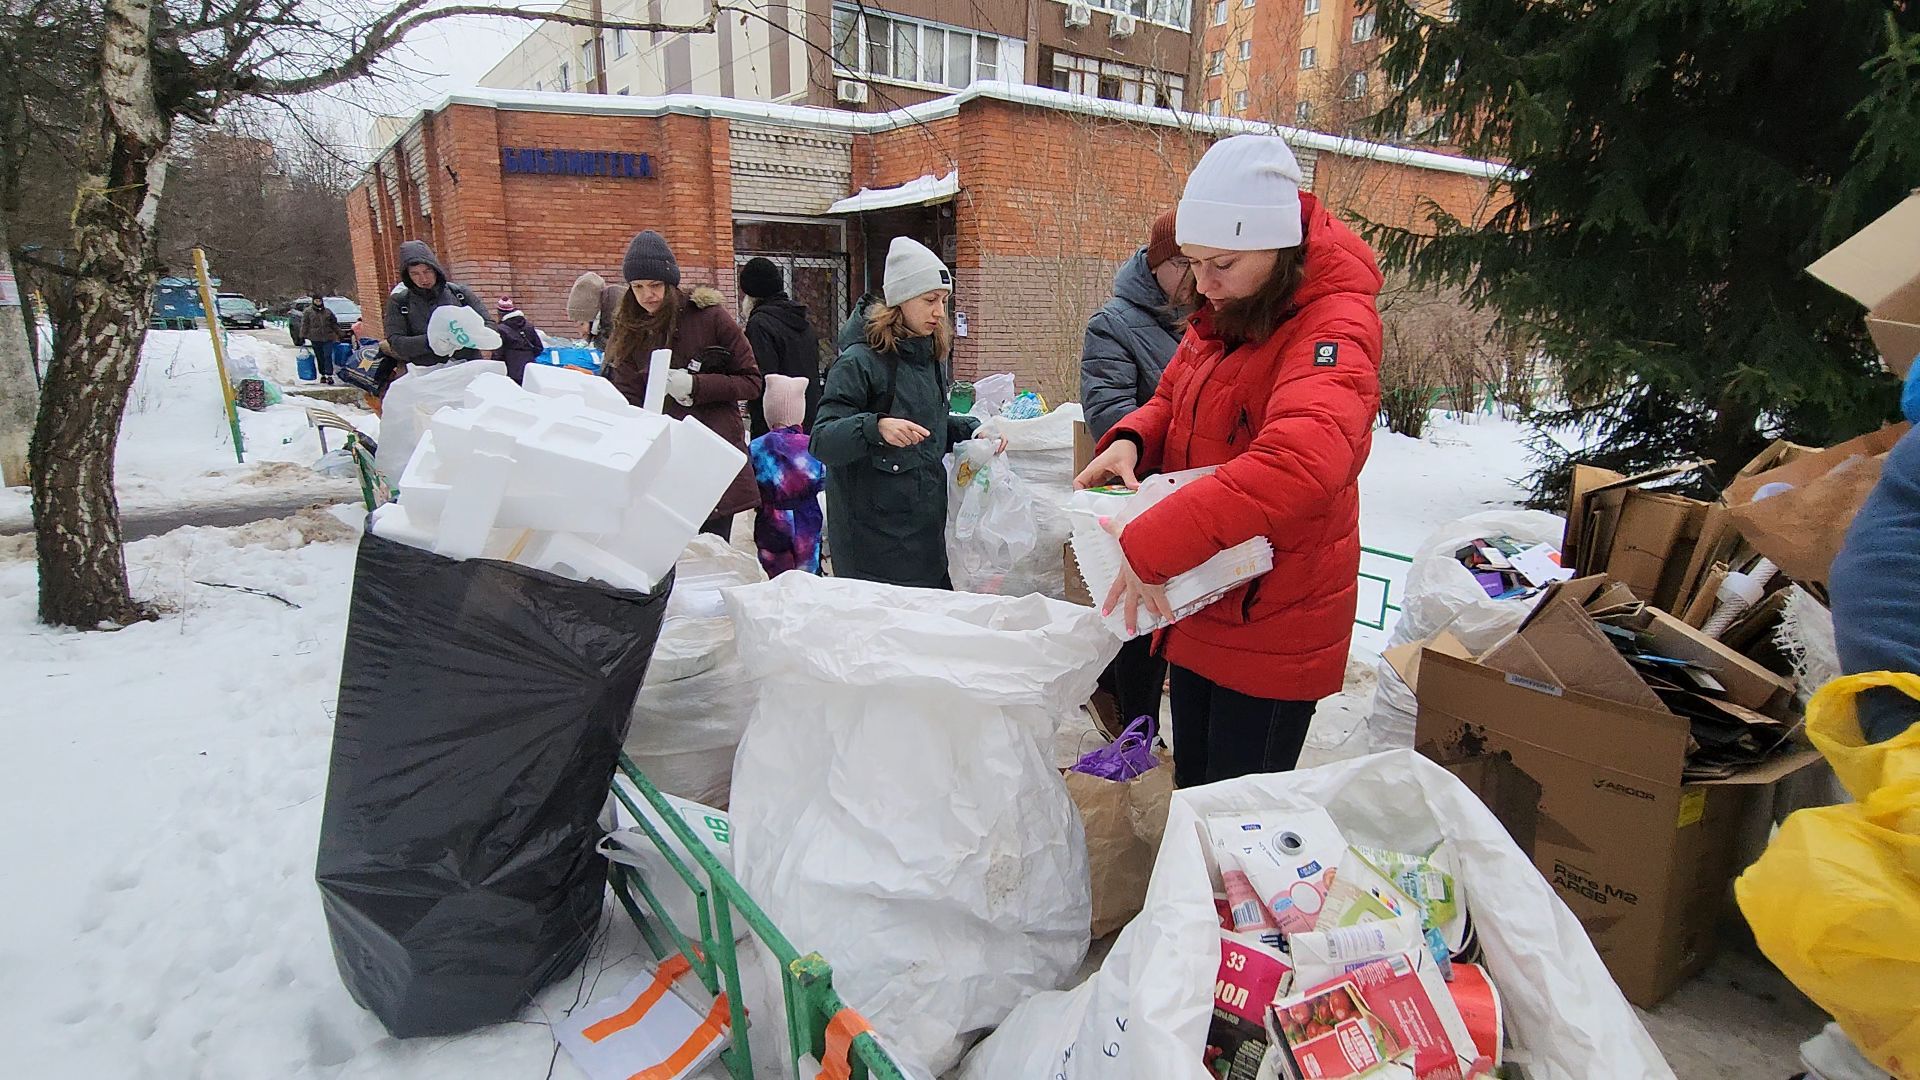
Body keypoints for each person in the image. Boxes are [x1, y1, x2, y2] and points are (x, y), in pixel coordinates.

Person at [1074, 134, 1384, 788]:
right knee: (1197, 793)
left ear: (1279, 247)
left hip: (1273, 624)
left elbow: (1302, 463)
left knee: (1241, 826)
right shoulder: (1230, 307)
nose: (1202, 284)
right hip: (1206, 601)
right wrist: (1132, 439)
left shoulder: (1332, 324)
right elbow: (1171, 398)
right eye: (1193, 263)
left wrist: (1153, 541)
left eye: (1222, 263)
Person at [1080, 208, 1193, 734]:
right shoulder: (1114, 324)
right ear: (1162, 264)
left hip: (1193, 498)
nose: (1200, 278)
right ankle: (1132, 730)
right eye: (1188, 264)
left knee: (1178, 620)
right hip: (1140, 493)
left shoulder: (1207, 317)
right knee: (1141, 627)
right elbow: (1107, 411)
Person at [600, 229, 763, 538]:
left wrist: (696, 386)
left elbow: (752, 382)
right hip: (660, 463)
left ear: (670, 281)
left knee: (712, 558)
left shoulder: (709, 317)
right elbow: (625, 395)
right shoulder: (630, 330)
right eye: (638, 286)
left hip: (709, 455)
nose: (648, 294)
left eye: (655, 285)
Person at [749, 373, 826, 577]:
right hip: (807, 519)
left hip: (770, 520)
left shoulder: (756, 447)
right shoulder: (812, 446)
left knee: (775, 574)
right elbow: (824, 480)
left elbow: (748, 484)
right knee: (807, 573)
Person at [739, 257, 824, 437]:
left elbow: (762, 379)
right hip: (808, 419)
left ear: (751, 295)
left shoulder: (759, 324)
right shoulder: (802, 321)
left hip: (774, 429)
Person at [380, 240, 494, 374]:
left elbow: (489, 324)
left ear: (435, 269)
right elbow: (396, 342)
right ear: (407, 276)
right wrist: (432, 341)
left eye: (427, 271)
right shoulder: (400, 302)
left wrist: (463, 336)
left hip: (469, 371)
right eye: (415, 274)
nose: (423, 279)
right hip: (426, 375)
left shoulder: (459, 294)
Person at [493, 296, 545, 384]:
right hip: (530, 368)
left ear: (500, 313)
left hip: (511, 369)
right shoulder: (529, 326)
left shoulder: (501, 329)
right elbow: (539, 347)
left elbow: (498, 353)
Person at [300, 294, 342, 384]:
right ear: (313, 301)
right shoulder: (308, 312)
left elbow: (334, 323)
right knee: (320, 357)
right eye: (316, 301)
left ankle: (329, 375)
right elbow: (305, 324)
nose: (318, 302)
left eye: (319, 301)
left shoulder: (327, 312)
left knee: (328, 356)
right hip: (315, 338)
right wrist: (302, 335)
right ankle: (322, 374)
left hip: (328, 337)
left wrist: (340, 332)